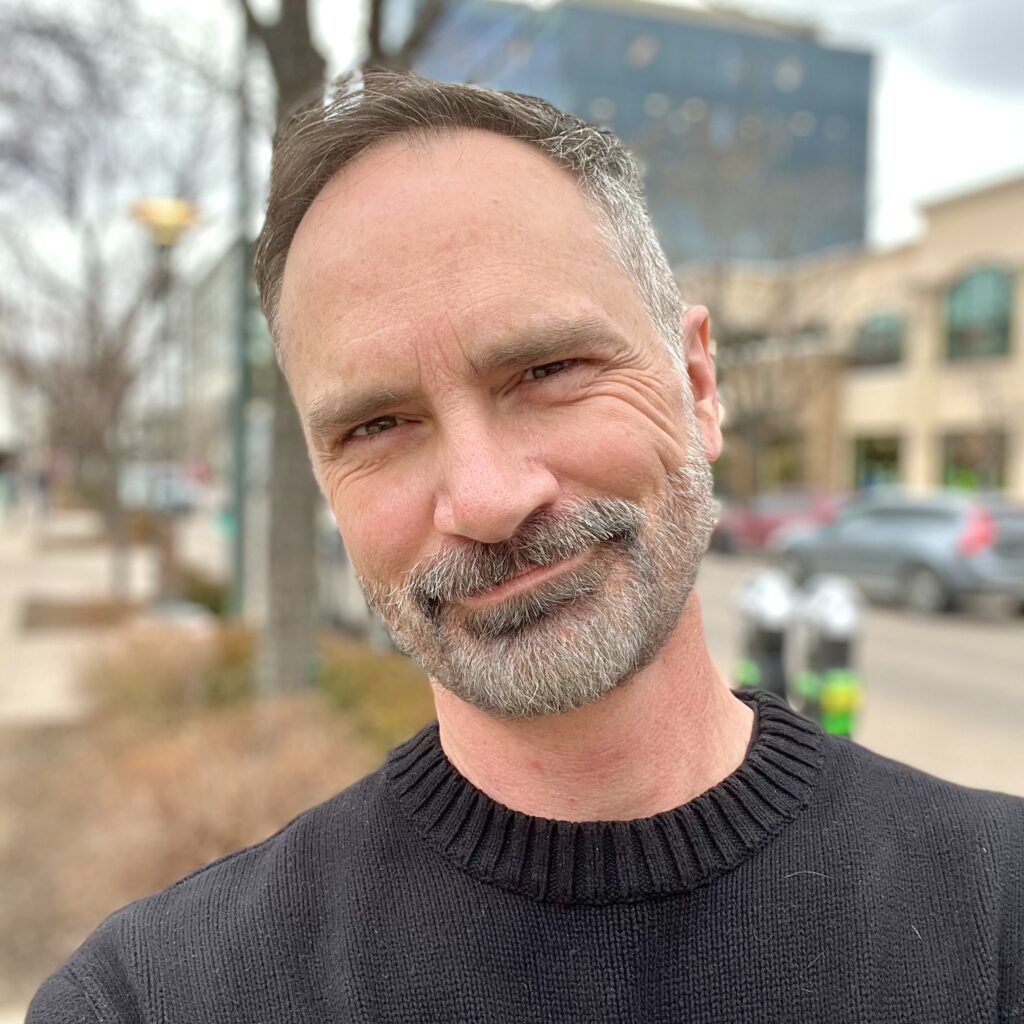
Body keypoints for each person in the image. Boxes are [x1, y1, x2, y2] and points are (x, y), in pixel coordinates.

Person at [29, 69, 1023, 1024]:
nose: (489, 498)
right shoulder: (154, 998)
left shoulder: (1000, 927)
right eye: (376, 426)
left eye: (547, 369)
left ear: (698, 384)